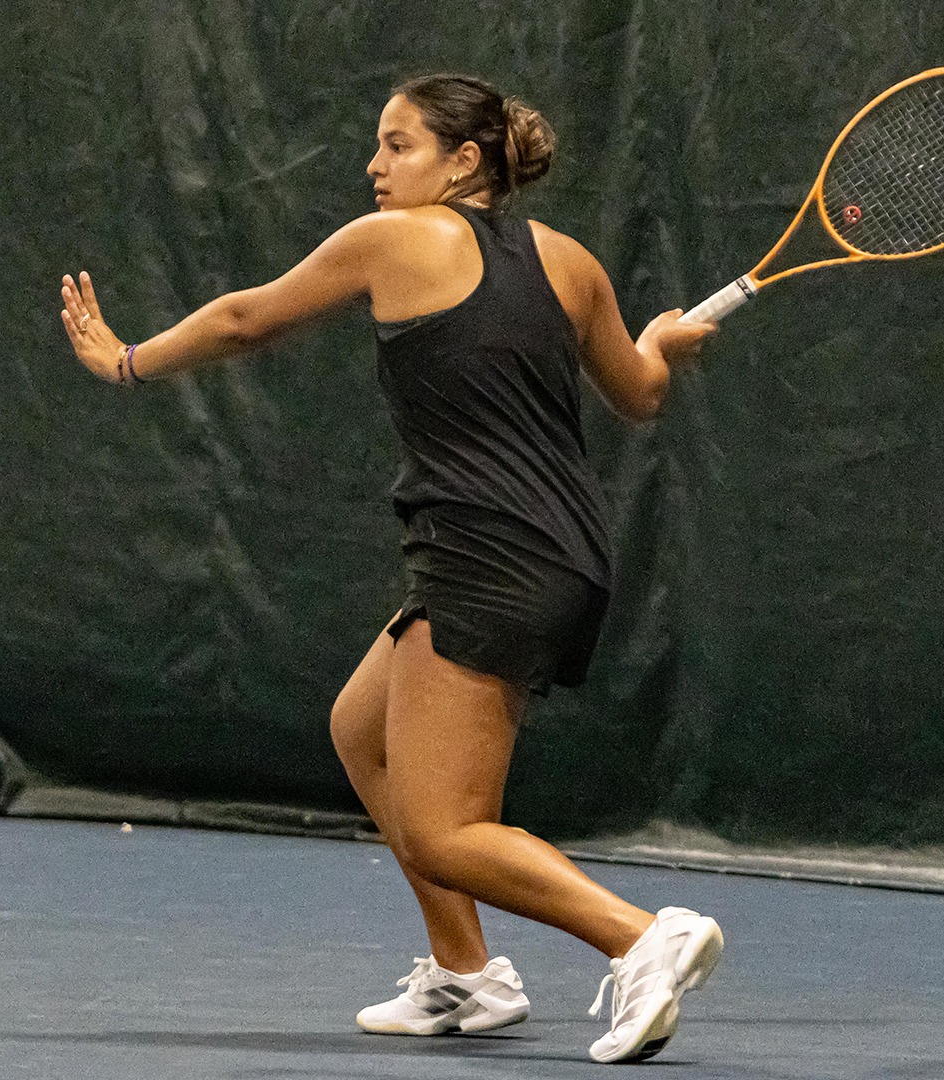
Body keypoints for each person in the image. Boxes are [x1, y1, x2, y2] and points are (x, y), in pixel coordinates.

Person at [60, 73, 721, 1064]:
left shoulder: (395, 240)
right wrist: (661, 344)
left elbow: (248, 319)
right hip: (559, 552)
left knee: (446, 829)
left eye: (398, 144)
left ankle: (641, 939)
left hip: (488, 553)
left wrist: (126, 360)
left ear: (463, 162)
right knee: (360, 731)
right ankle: (466, 976)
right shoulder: (573, 263)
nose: (375, 165)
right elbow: (638, 390)